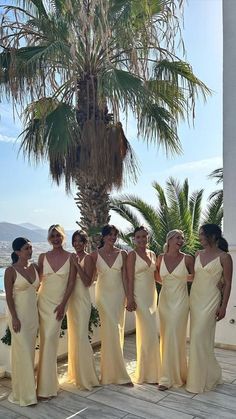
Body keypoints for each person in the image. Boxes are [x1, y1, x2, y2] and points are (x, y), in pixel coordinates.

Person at [186, 224, 232, 393]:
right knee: (199, 339)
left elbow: (227, 284)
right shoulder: (198, 254)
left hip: (211, 300)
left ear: (213, 236)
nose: (200, 238)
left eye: (202, 235)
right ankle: (209, 374)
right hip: (195, 299)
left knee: (199, 337)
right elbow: (196, 277)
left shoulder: (225, 257)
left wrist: (224, 306)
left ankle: (198, 381)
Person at [37, 224, 76, 398]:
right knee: (45, 342)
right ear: (49, 239)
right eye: (52, 236)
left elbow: (71, 284)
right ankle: (44, 386)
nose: (56, 239)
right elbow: (36, 282)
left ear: (63, 237)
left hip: (58, 305)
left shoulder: (71, 257)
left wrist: (63, 305)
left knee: (50, 340)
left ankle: (47, 387)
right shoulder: (42, 257)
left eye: (58, 235)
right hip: (42, 302)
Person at [90, 224, 132, 385]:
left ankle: (110, 373)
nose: (113, 237)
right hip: (103, 297)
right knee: (111, 330)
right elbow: (90, 278)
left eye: (115, 235)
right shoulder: (94, 255)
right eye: (110, 235)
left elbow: (126, 277)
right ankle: (117, 374)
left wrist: (129, 297)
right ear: (103, 236)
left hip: (118, 296)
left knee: (116, 330)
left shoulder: (123, 254)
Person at [156, 230, 194, 391]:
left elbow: (196, 277)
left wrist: (182, 279)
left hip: (181, 301)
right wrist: (169, 282)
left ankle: (172, 377)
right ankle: (169, 374)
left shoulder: (188, 258)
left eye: (182, 238)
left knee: (175, 335)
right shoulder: (160, 258)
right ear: (169, 240)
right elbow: (156, 276)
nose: (181, 240)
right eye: (178, 237)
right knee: (166, 335)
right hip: (164, 301)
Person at [4, 237, 39, 406]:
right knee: (23, 354)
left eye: (31, 248)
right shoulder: (10, 271)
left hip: (33, 316)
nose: (30, 251)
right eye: (27, 248)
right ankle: (25, 395)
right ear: (17, 252)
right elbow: (9, 297)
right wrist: (15, 318)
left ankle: (27, 390)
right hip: (18, 317)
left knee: (29, 354)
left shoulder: (34, 267)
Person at [126, 226, 160, 384]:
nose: (141, 239)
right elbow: (129, 278)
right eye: (138, 237)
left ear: (148, 237)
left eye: (144, 236)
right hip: (139, 297)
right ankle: (147, 373)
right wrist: (130, 298)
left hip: (152, 296)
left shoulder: (153, 254)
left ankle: (153, 371)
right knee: (149, 332)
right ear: (134, 239)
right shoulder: (132, 255)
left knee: (151, 332)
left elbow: (157, 276)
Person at [67, 230, 99, 390]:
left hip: (83, 300)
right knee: (74, 337)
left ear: (85, 242)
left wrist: (75, 265)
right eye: (75, 241)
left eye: (80, 241)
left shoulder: (88, 258)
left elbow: (87, 281)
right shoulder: (73, 257)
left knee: (81, 337)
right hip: (71, 301)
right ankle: (76, 374)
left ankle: (88, 377)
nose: (77, 243)